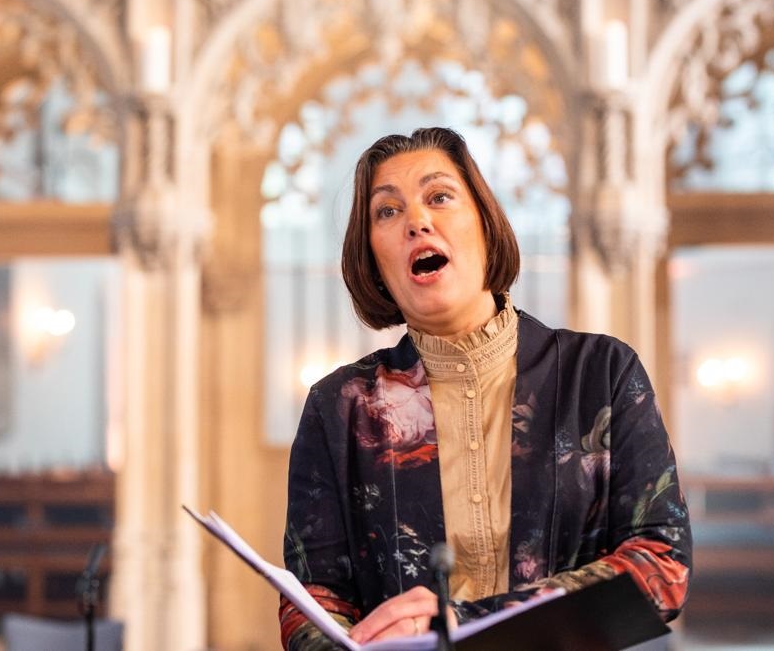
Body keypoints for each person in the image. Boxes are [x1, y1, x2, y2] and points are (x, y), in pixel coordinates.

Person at [279, 127, 691, 649]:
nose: (416, 221)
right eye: (387, 211)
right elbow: (311, 601)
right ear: (374, 261)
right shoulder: (339, 407)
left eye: (440, 197)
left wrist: (463, 623)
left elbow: (661, 564)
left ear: (486, 225)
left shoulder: (603, 373)